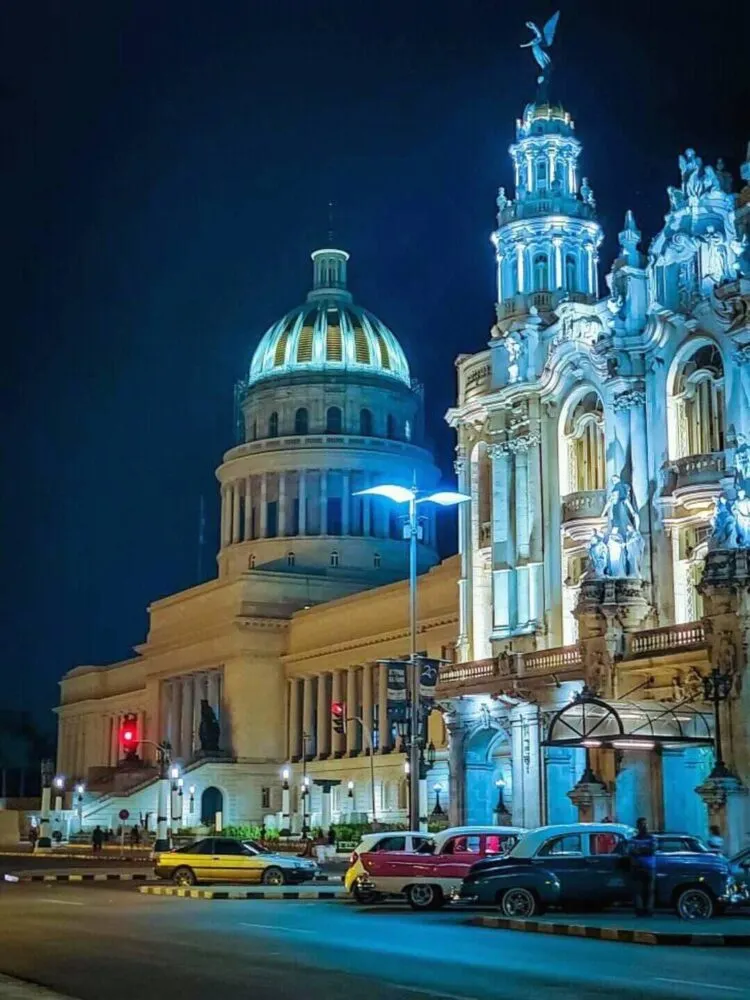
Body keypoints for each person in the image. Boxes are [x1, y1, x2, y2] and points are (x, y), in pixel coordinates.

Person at [628, 817, 657, 916]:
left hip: (646, 867)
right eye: (642, 824)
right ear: (638, 826)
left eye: (645, 824)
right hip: (641, 867)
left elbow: (652, 849)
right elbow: (631, 850)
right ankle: (641, 910)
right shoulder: (648, 839)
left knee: (649, 890)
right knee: (639, 890)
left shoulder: (650, 838)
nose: (644, 826)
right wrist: (645, 849)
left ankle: (648, 910)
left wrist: (639, 850)